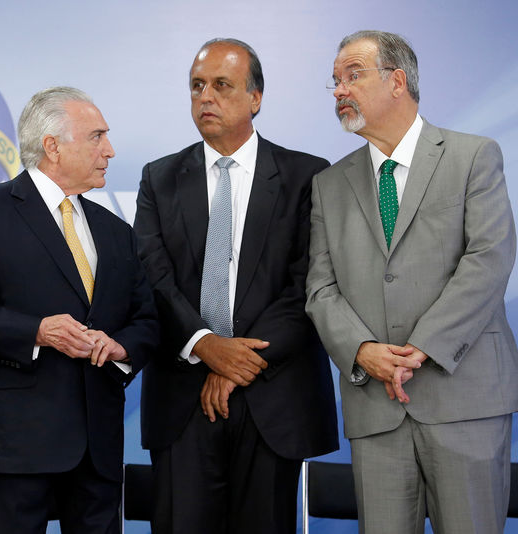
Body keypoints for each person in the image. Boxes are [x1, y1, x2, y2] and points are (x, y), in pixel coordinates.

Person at [306, 30, 518, 534]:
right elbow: (320, 287)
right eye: (334, 81)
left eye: (352, 76)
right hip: (375, 409)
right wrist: (362, 350)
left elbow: (489, 258)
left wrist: (421, 346)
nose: (339, 90)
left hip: (463, 400)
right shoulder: (328, 184)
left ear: (397, 81)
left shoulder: (473, 156)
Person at [133, 38, 338, 534]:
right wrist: (206, 346)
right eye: (197, 86)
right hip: (184, 400)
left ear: (255, 98)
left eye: (221, 85)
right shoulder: (159, 178)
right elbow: (151, 277)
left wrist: (237, 361)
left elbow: (307, 284)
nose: (206, 97)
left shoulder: (306, 175)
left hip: (274, 395)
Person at [0, 86, 158, 534]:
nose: (110, 150)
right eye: (97, 136)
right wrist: (37, 331)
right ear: (52, 146)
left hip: (98, 442)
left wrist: (120, 347)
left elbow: (147, 320)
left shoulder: (115, 230)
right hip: (16, 441)